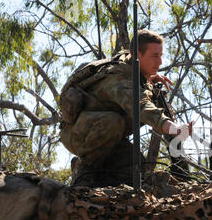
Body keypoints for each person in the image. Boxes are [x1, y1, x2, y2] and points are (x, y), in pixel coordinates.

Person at [60, 29, 192, 186]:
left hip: (106, 136)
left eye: (161, 55)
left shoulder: (133, 72)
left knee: (135, 168)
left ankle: (99, 179)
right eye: (155, 56)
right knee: (113, 121)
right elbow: (142, 106)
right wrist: (174, 128)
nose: (160, 62)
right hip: (77, 134)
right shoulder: (119, 79)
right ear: (137, 55)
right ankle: (82, 173)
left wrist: (147, 80)